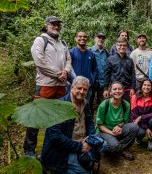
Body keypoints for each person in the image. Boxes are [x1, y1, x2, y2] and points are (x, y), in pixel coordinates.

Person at [23, 16, 72, 158]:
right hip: (45, 84)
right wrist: (58, 74)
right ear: (47, 25)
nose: (56, 27)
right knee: (36, 118)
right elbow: (40, 62)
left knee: (58, 118)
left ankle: (52, 147)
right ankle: (29, 150)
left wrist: (66, 72)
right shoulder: (40, 40)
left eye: (58, 25)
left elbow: (69, 59)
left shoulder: (62, 43)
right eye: (53, 24)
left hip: (61, 86)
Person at [40, 76, 96, 174]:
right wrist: (80, 147)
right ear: (71, 88)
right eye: (79, 88)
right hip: (65, 149)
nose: (82, 91)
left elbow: (89, 122)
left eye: (85, 89)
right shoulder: (58, 106)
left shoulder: (85, 103)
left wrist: (91, 138)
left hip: (82, 142)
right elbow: (55, 136)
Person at [96, 81, 139, 160]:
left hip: (118, 130)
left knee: (134, 127)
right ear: (110, 92)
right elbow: (99, 125)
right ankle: (114, 147)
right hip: (105, 131)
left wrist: (119, 126)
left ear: (123, 91)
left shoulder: (126, 104)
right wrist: (112, 133)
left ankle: (122, 148)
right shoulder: (104, 105)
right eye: (114, 89)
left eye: (119, 89)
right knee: (113, 146)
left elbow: (125, 121)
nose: (117, 91)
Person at [130, 79, 152, 151]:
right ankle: (138, 138)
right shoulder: (135, 97)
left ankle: (151, 139)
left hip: (148, 120)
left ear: (151, 87)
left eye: (149, 85)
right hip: (138, 122)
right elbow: (135, 116)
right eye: (145, 85)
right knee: (141, 133)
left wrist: (141, 117)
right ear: (141, 86)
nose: (146, 87)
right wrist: (146, 128)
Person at [103, 37, 136, 102]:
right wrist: (105, 89)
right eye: (120, 45)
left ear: (127, 47)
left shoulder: (130, 60)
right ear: (116, 46)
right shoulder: (110, 59)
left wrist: (132, 88)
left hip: (127, 89)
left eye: (124, 45)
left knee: (127, 108)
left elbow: (133, 75)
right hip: (115, 90)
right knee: (114, 108)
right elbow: (106, 75)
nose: (122, 47)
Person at [69, 31, 97, 103]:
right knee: (73, 107)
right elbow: (68, 68)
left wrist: (91, 81)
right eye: (80, 36)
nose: (82, 38)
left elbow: (94, 69)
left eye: (84, 37)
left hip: (87, 87)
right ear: (76, 38)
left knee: (87, 106)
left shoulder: (91, 54)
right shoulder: (71, 52)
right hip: (75, 87)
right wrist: (73, 82)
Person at [91, 32, 109, 115]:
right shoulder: (90, 51)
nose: (101, 39)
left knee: (102, 104)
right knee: (89, 103)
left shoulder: (106, 52)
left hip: (102, 83)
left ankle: (99, 122)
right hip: (92, 82)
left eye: (102, 38)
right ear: (95, 38)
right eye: (99, 37)